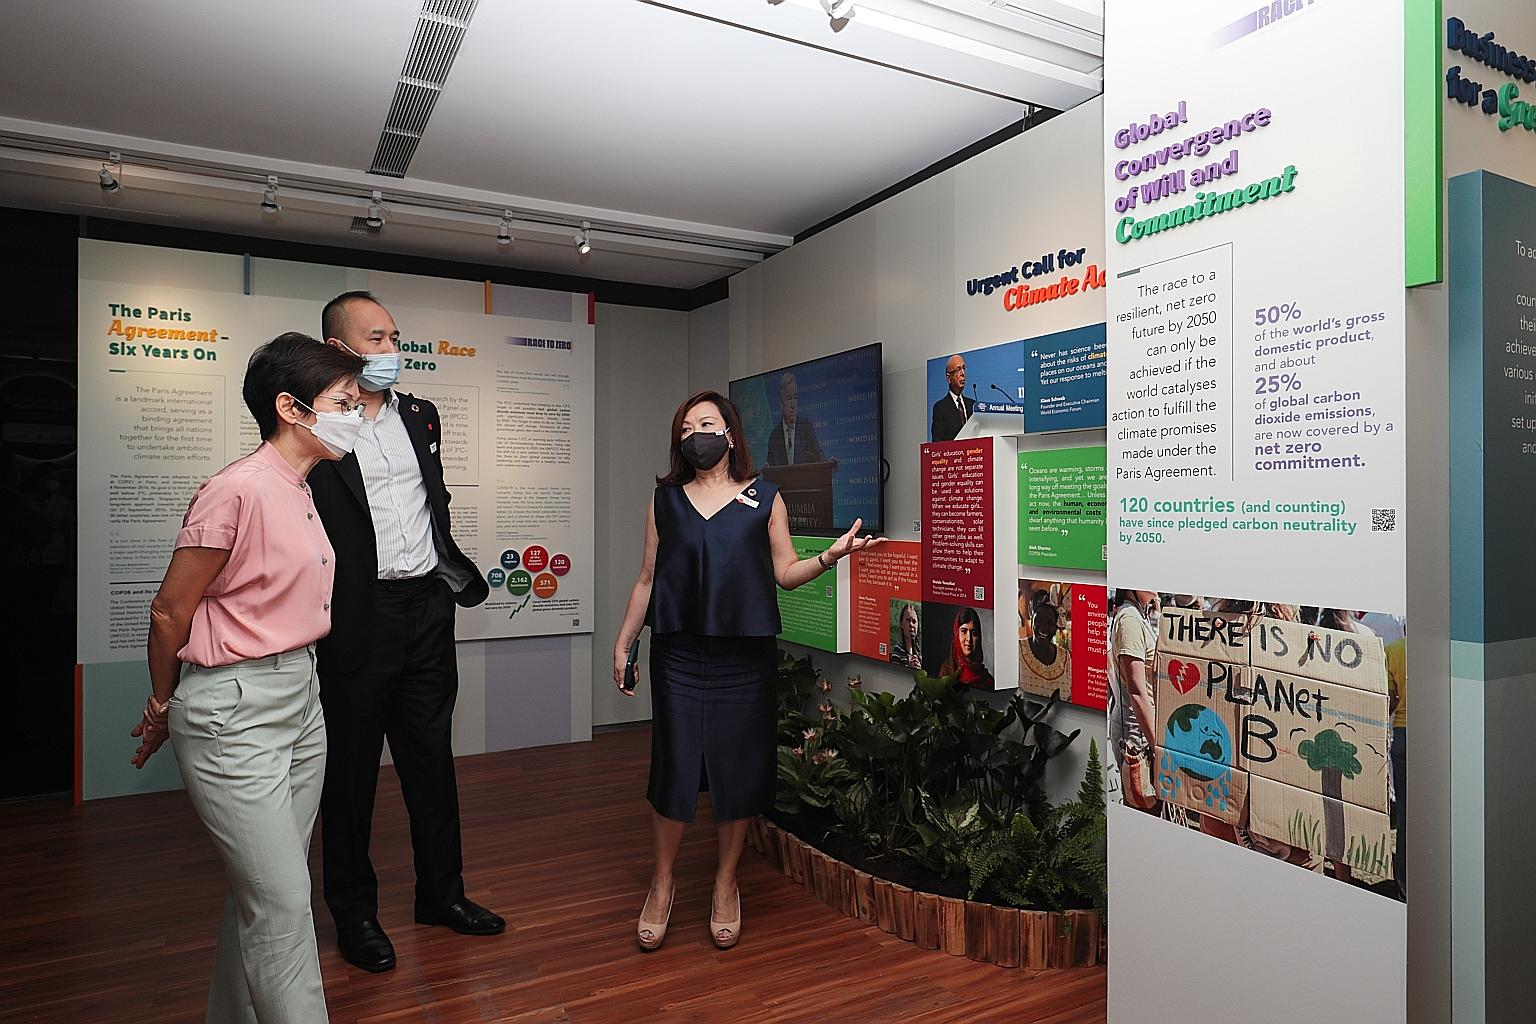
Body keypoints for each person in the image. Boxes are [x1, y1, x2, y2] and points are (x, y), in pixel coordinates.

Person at [129, 334, 366, 1023]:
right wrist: (163, 703)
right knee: (284, 903)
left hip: (301, 699)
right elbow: (170, 610)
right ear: (291, 408)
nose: (356, 414)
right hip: (235, 710)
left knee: (264, 892)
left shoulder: (301, 487)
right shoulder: (235, 490)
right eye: (343, 402)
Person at [612, 390, 880, 953]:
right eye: (686, 429)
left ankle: (725, 883)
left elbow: (784, 572)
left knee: (736, 772)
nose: (695, 436)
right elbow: (646, 577)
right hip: (680, 655)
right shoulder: (665, 499)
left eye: (705, 424)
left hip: (744, 658)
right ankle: (661, 885)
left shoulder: (765, 499)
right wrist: (624, 640)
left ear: (730, 434)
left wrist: (832, 556)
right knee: (674, 768)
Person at [308, 291, 499, 975]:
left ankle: (441, 896)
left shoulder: (421, 414)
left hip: (426, 611)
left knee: (431, 761)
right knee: (351, 774)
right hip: (357, 617)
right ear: (337, 349)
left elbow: (431, 507)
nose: (391, 349)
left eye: (395, 336)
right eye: (376, 337)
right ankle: (354, 914)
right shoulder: (318, 426)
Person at [1109, 589, 1159, 812]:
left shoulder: (1138, 615)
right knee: (1144, 807)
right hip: (1137, 736)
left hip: (1143, 730)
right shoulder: (1130, 620)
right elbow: (1137, 692)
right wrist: (1159, 748)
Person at [763, 372, 825, 465]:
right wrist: (767, 470)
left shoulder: (807, 428)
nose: (793, 405)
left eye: (795, 398)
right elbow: (771, 470)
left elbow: (820, 458)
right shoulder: (774, 437)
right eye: (788, 398)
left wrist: (830, 466)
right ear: (781, 404)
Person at [1018, 590, 1071, 698]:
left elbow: (1070, 697)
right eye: (1039, 620)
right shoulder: (1017, 650)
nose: (1043, 627)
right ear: (1032, 619)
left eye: (1049, 622)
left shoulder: (1065, 657)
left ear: (1056, 626)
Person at [939, 606, 993, 687]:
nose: (969, 639)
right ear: (956, 634)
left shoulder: (987, 680)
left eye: (974, 633)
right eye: (964, 631)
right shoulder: (946, 671)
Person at [930, 354, 974, 442]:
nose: (963, 373)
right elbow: (937, 443)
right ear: (948, 378)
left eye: (963, 368)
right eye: (958, 369)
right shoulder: (940, 408)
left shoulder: (972, 405)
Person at [890, 602, 921, 668]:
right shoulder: (897, 651)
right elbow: (894, 675)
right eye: (908, 620)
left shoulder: (921, 653)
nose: (911, 625)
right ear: (902, 624)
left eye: (914, 621)